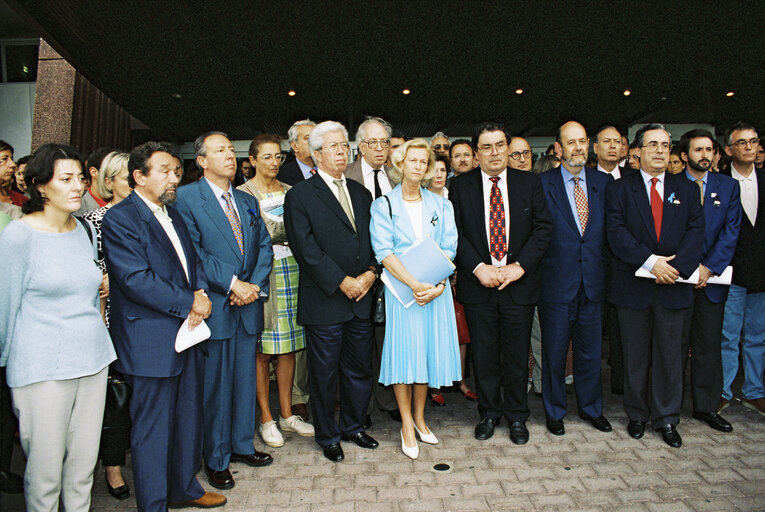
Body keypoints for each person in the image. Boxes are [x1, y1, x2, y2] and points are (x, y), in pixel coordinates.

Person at [102, 141, 225, 511]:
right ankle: (154, 503)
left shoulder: (173, 213)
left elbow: (194, 262)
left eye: (175, 170)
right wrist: (190, 301)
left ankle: (183, 487)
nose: (174, 178)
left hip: (187, 333)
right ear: (138, 177)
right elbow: (135, 279)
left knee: (188, 419)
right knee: (153, 430)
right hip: (150, 340)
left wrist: (200, 291)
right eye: (165, 171)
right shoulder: (120, 218)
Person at [0, 143, 116, 512]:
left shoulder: (83, 230)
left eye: (80, 178)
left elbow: (90, 296)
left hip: (93, 361)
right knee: (46, 473)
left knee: (82, 469)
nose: (77, 186)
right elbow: (5, 308)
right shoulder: (18, 237)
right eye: (65, 179)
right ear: (39, 186)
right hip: (42, 369)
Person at [174, 132, 274, 491]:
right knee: (215, 386)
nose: (231, 156)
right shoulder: (185, 198)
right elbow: (194, 253)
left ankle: (241, 445)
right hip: (216, 305)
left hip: (246, 305)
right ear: (201, 160)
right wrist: (234, 285)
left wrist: (254, 287)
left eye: (232, 149)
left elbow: (264, 245)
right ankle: (216, 459)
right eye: (221, 151)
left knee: (244, 380)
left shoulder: (246, 198)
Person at [450, 122, 552, 445]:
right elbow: (456, 235)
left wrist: (519, 267)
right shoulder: (460, 187)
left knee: (516, 354)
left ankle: (517, 416)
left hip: (517, 285)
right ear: (477, 154)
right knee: (484, 354)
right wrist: (478, 267)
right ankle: (490, 413)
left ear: (508, 148)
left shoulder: (530, 184)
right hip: (478, 285)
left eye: (499, 145)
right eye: (487, 147)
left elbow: (543, 229)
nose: (494, 153)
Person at [284, 121, 379, 463]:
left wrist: (369, 274)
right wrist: (343, 281)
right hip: (325, 299)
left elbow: (372, 241)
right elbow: (305, 249)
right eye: (335, 147)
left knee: (359, 369)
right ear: (317, 153)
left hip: (361, 297)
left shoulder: (361, 193)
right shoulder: (299, 195)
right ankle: (328, 435)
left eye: (345, 146)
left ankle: (354, 426)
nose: (343, 152)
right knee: (323, 375)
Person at [605, 123, 704, 448]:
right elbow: (616, 233)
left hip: (673, 286)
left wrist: (673, 268)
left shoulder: (687, 189)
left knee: (670, 357)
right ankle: (636, 415)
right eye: (653, 145)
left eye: (665, 145)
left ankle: (667, 419)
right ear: (638, 152)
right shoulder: (620, 188)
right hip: (634, 287)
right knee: (634, 356)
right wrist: (652, 263)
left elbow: (695, 232)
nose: (661, 150)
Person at [370, 139, 460, 459]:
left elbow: (449, 248)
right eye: (413, 160)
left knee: (425, 357)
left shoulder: (442, 206)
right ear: (401, 164)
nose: (419, 166)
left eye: (425, 162)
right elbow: (384, 252)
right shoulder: (384, 205)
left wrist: (435, 286)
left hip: (435, 293)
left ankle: (421, 418)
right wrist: (413, 284)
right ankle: (406, 422)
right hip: (402, 294)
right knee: (404, 358)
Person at [237, 134, 314, 447]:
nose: (273, 163)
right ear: (253, 160)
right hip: (263, 275)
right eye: (265, 157)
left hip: (294, 271)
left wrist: (281, 234)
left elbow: (299, 232)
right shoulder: (242, 195)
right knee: (263, 348)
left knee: (290, 345)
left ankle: (287, 413)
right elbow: (259, 237)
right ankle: (266, 418)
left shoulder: (291, 191)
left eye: (277, 157)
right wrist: (285, 233)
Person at [538, 121, 613, 436]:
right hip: (556, 285)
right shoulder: (542, 184)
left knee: (590, 353)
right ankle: (554, 411)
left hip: (593, 284)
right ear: (558, 148)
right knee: (554, 354)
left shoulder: (604, 183)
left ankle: (591, 409)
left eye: (583, 141)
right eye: (571, 142)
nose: (578, 147)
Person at [677, 129, 740, 432]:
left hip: (711, 281)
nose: (704, 155)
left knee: (707, 346)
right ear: (684, 155)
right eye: (698, 150)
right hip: (677, 280)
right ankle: (668, 407)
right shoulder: (672, 186)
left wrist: (709, 268)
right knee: (673, 347)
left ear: (716, 154)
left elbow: (731, 231)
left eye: (709, 150)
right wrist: (688, 268)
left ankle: (706, 407)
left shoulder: (728, 187)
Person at [81, 151, 133, 500]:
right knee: (114, 398)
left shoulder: (153, 217)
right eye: (129, 175)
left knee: (140, 397)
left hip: (147, 320)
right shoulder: (92, 221)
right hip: (110, 321)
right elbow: (87, 273)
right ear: (109, 181)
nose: (136, 179)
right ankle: (112, 468)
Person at [345, 116, 397, 422]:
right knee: (358, 342)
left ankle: (388, 400)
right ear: (360, 146)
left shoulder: (397, 175)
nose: (379, 148)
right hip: (359, 273)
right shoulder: (346, 176)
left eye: (384, 142)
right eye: (372, 142)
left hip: (392, 273)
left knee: (386, 338)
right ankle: (359, 407)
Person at [719, 122, 765, 416]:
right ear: (728, 150)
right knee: (727, 336)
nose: (750, 147)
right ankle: (722, 391)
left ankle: (754, 391)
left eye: (754, 141)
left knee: (757, 336)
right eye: (743, 143)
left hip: (761, 275)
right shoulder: (719, 182)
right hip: (731, 273)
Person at [277, 119, 316, 185]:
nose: (314, 142)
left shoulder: (330, 168)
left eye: (316, 138)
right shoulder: (282, 175)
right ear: (294, 146)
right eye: (308, 138)